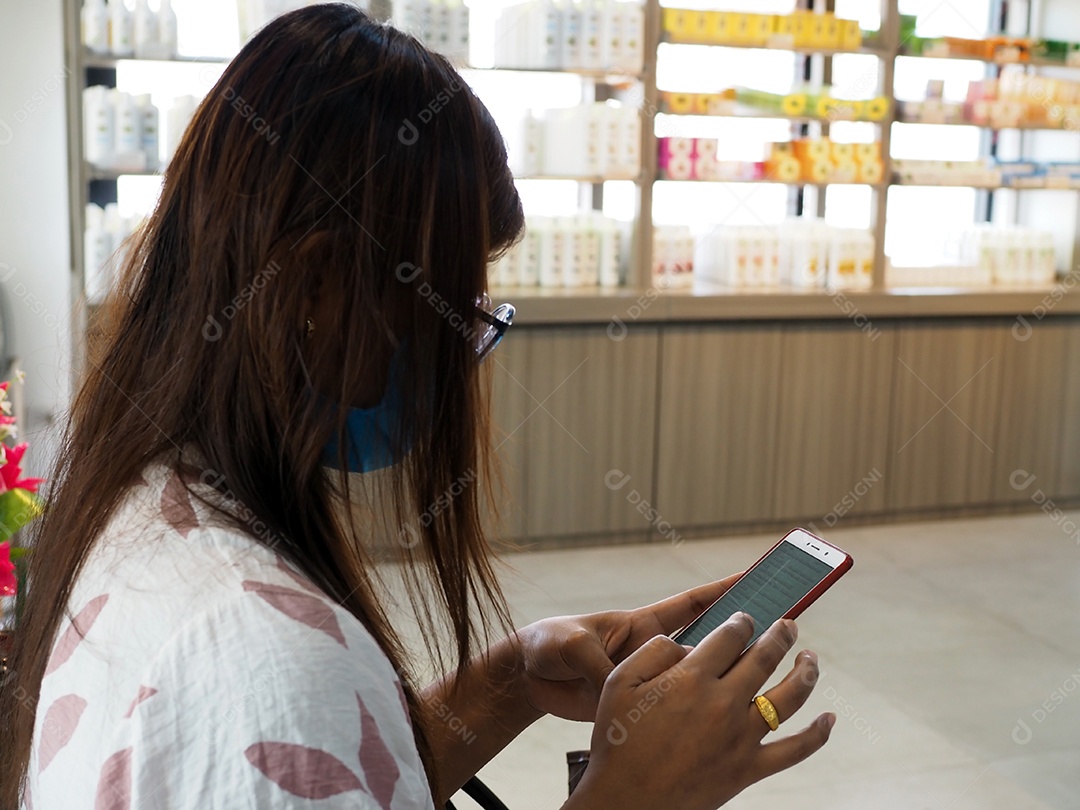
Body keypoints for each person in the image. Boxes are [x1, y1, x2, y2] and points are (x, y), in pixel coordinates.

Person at [0, 5, 833, 808]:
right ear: (320, 289)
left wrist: (509, 678)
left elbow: (333, 774)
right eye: (454, 311)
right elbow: (289, 723)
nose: (460, 357)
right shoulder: (269, 658)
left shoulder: (136, 491)